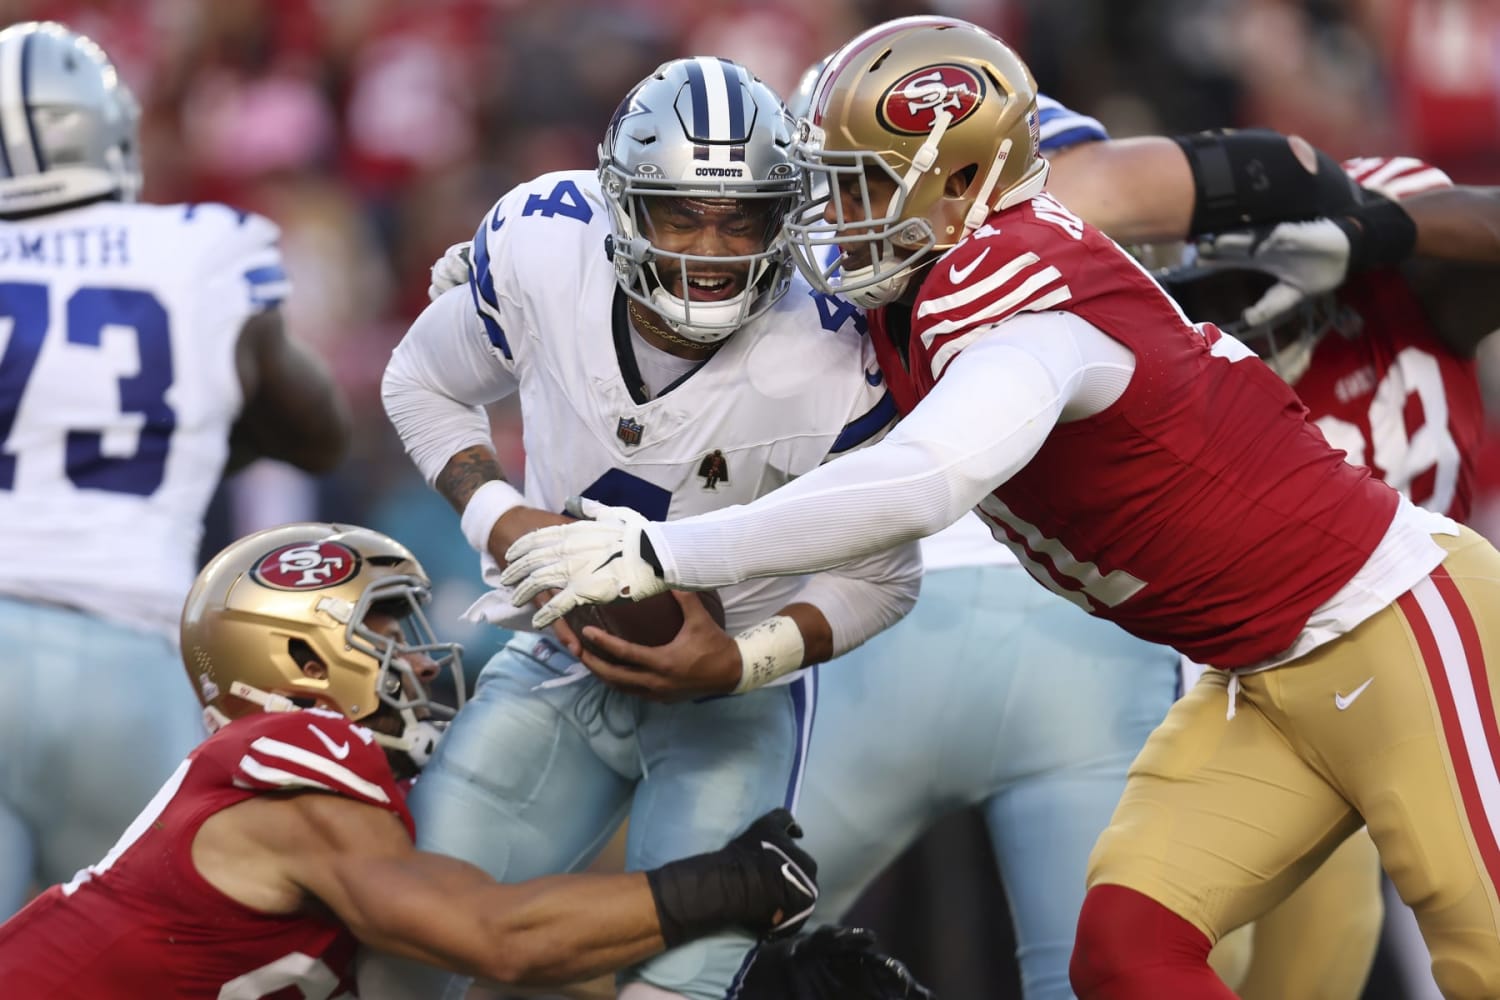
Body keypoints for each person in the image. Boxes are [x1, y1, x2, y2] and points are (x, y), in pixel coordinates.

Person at [499, 16, 1500, 1000]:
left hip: (1390, 616)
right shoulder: (918, 292)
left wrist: (665, 552)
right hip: (1255, 671)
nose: (837, 216)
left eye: (862, 186)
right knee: (1122, 955)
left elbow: (925, 479)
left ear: (964, 181)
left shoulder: (1014, 274)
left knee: (1484, 951)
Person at [361, 56, 921, 1000]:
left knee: (679, 991)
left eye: (741, 216)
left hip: (731, 696)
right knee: (407, 950)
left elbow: (886, 577)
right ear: (620, 206)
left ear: (785, 217)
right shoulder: (547, 245)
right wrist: (505, 520)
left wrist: (741, 664)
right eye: (679, 211)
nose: (710, 246)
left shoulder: (830, 348)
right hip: (554, 656)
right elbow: (420, 381)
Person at [0, 522, 818, 997]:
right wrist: (727, 883)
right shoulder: (292, 756)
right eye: (387, 629)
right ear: (304, 658)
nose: (423, 663)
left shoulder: (293, 794)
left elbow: (527, 948)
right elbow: (493, 936)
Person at [0, 21, 351, 917]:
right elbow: (319, 432)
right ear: (107, 130)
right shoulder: (201, 248)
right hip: (124, 645)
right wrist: (192, 431)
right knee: (147, 953)